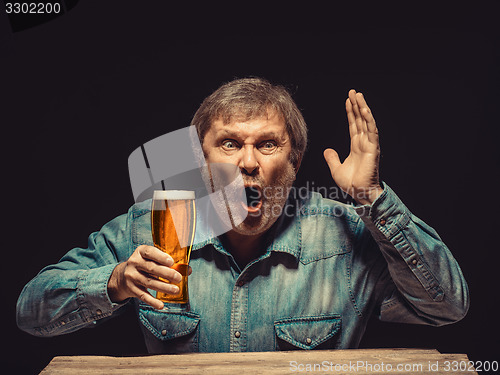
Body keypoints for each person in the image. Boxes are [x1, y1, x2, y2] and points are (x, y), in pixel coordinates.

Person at [17, 77, 469, 353]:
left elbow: (447, 306)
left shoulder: (344, 235)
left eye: (268, 144)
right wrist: (113, 282)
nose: (248, 162)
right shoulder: (152, 226)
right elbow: (31, 311)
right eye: (230, 143)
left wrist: (373, 199)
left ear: (294, 163)